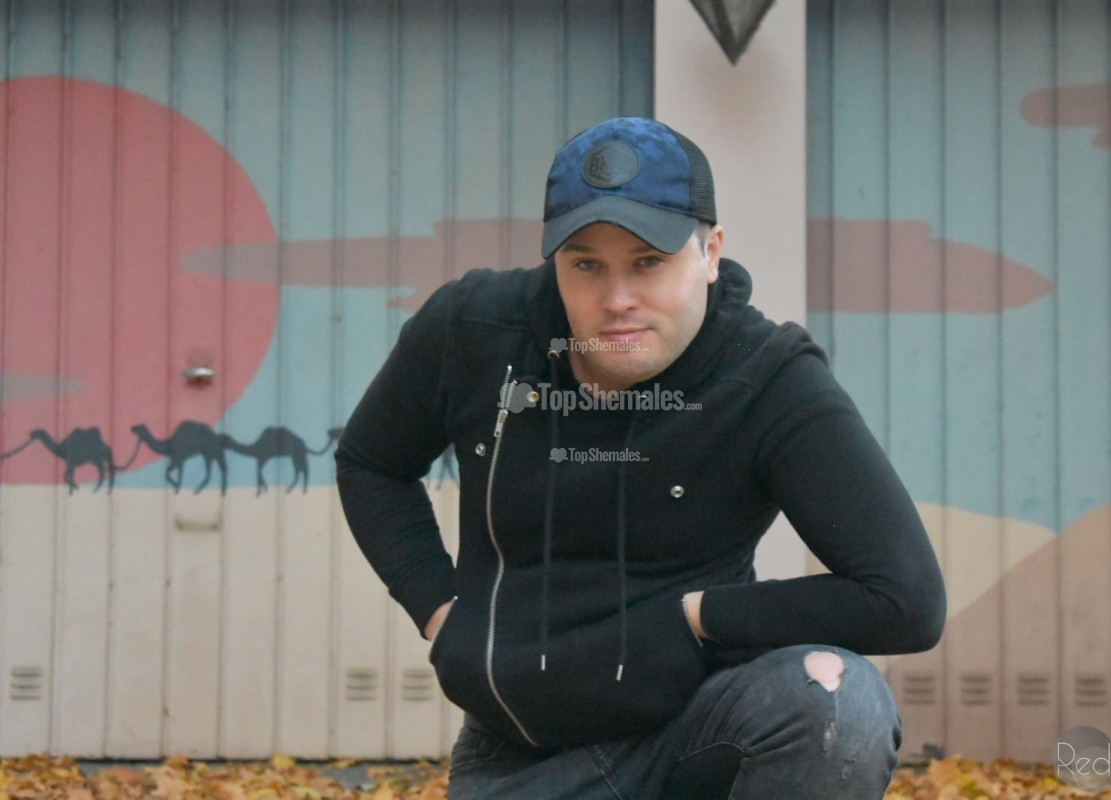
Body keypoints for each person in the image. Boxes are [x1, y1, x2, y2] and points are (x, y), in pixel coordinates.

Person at [335, 116, 946, 799]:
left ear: (710, 253)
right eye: (586, 264)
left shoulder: (768, 377)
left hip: (698, 727)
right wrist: (440, 609)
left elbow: (905, 597)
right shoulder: (475, 331)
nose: (618, 299)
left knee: (838, 702)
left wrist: (698, 617)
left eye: (649, 261)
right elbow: (369, 461)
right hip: (519, 753)